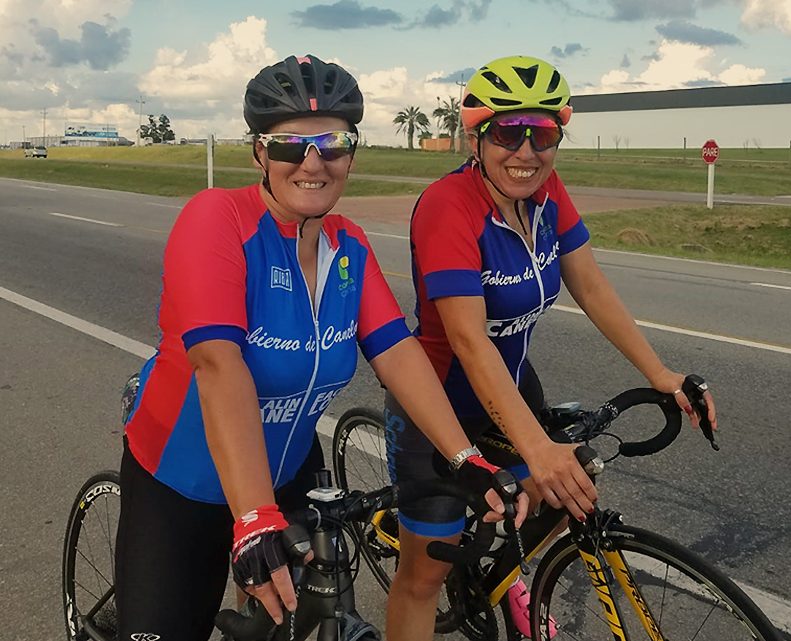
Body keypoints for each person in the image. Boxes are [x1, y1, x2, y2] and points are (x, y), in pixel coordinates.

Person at [114, 54, 525, 641]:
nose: (313, 162)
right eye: (289, 145)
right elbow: (218, 363)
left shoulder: (348, 245)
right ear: (259, 153)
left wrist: (465, 459)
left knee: (301, 622)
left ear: (351, 153)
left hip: (287, 473)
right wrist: (253, 517)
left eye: (332, 143)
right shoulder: (217, 219)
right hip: (184, 481)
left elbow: (397, 353)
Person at [385, 55, 718, 640]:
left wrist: (662, 373)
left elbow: (589, 284)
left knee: (563, 493)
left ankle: (504, 576)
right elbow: (467, 339)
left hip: (513, 383)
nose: (526, 151)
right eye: (508, 132)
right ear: (477, 135)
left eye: (542, 135)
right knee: (422, 578)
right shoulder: (449, 206)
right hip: (438, 403)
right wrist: (536, 448)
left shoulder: (545, 193)